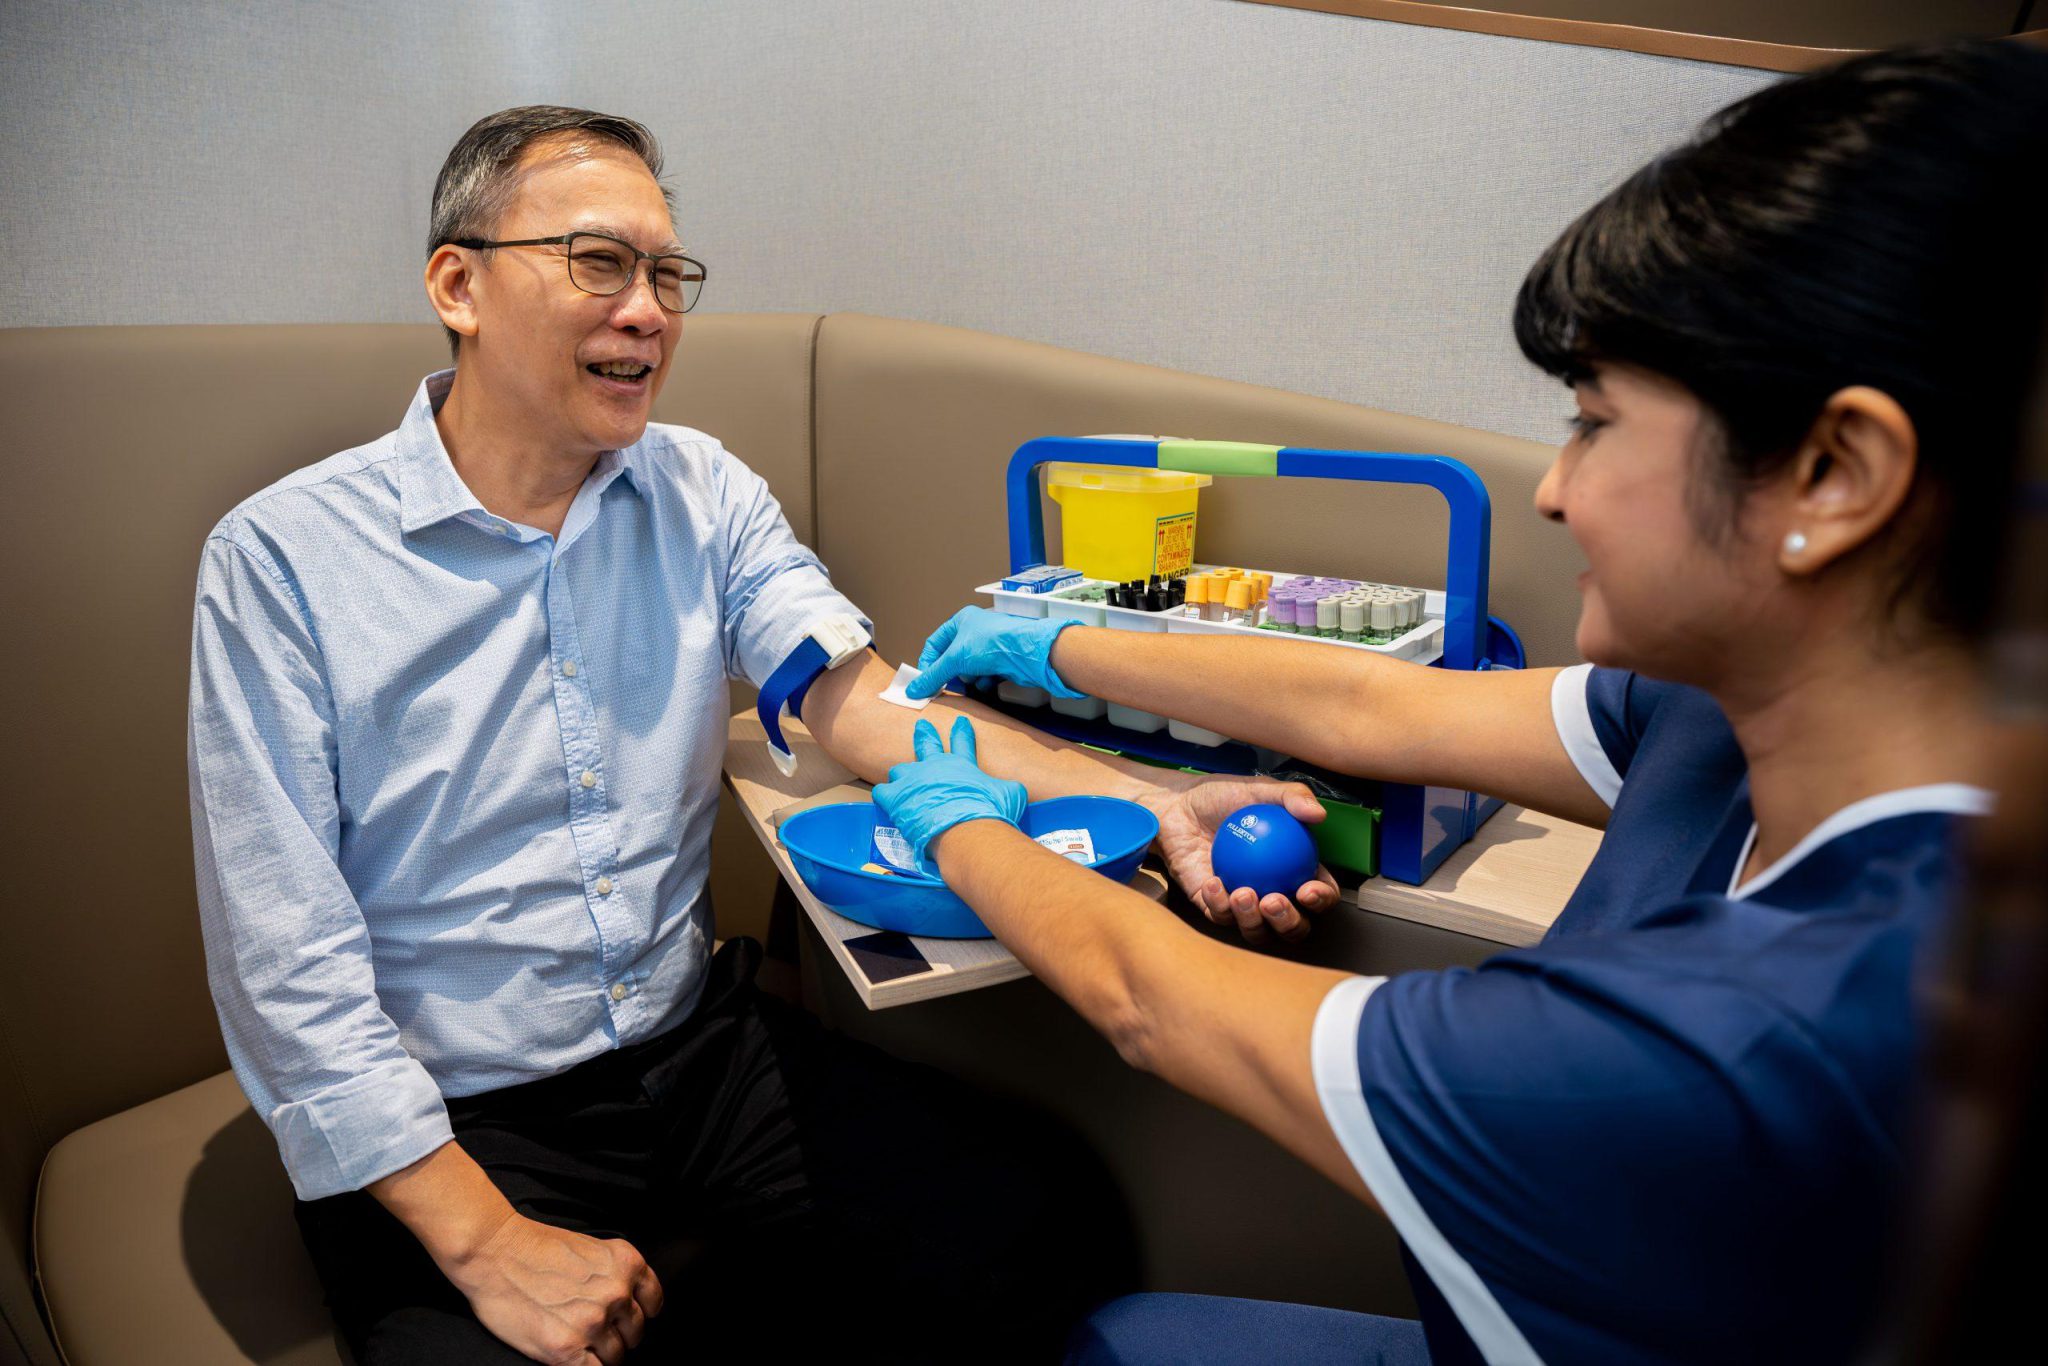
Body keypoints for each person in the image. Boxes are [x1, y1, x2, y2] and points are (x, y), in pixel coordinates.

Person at [877, 40, 2048, 1364]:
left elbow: (1153, 998)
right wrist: (1064, 645)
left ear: (1837, 473)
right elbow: (1371, 711)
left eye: (1596, 424)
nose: (1555, 491)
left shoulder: (1735, 1047)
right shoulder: (1729, 716)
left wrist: (951, 812)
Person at [186, 105, 1314, 1365]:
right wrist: (487, 1240)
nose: (649, 310)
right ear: (459, 283)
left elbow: (862, 702)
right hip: (457, 1120)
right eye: (599, 262)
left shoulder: (700, 489)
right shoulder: (282, 560)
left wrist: (1146, 797)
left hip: (697, 1057)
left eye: (667, 273)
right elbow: (284, 965)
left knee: (1039, 1221)